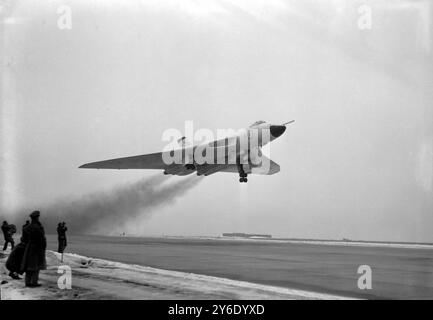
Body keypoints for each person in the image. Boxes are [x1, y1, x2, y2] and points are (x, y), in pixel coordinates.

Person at [21, 211, 47, 288]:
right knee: (36, 266)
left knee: (29, 266)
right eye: (38, 217)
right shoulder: (39, 227)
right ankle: (34, 282)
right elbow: (42, 238)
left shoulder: (26, 228)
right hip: (37, 248)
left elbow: (23, 239)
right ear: (37, 218)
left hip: (29, 247)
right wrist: (43, 247)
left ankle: (27, 282)